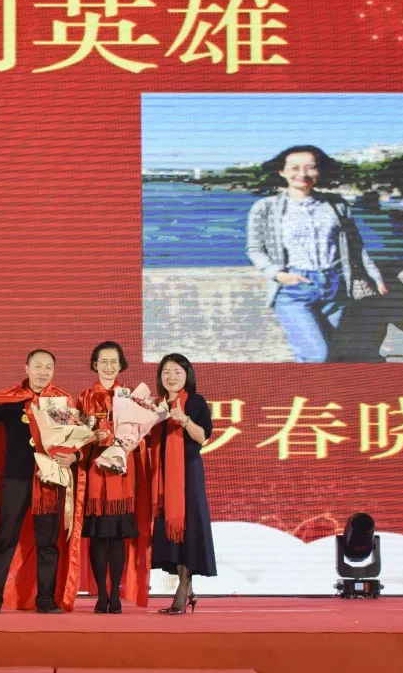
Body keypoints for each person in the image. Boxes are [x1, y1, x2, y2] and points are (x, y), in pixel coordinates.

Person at [0, 350, 81, 614]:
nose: (42, 372)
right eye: (37, 366)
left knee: (48, 543)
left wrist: (75, 457)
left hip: (49, 481)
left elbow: (75, 440)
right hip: (16, 478)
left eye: (48, 367)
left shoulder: (60, 402)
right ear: (26, 368)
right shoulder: (13, 399)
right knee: (5, 538)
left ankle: (46, 600)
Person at [246, 145, 387, 362]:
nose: (302, 174)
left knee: (331, 353)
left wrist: (374, 276)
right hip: (294, 289)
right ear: (282, 171)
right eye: (294, 168)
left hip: (335, 287)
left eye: (310, 167)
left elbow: (355, 246)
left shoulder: (337, 205)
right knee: (317, 355)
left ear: (319, 171)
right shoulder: (265, 207)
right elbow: (255, 248)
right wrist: (277, 274)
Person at [77, 341, 150, 614]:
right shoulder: (83, 397)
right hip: (95, 471)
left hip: (121, 473)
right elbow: (74, 436)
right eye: (103, 361)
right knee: (98, 536)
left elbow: (142, 434)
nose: (108, 366)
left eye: (113, 362)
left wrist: (131, 442)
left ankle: (116, 597)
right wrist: (90, 437)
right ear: (94, 364)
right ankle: (101, 595)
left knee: (118, 536)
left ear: (121, 365)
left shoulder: (131, 397)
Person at [149, 353, 215, 615]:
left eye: (177, 371)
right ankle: (188, 591)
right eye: (166, 371)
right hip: (162, 476)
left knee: (189, 530)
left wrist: (184, 419)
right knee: (171, 534)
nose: (171, 376)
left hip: (188, 474)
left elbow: (202, 437)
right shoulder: (156, 405)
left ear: (187, 375)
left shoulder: (196, 401)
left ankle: (182, 592)